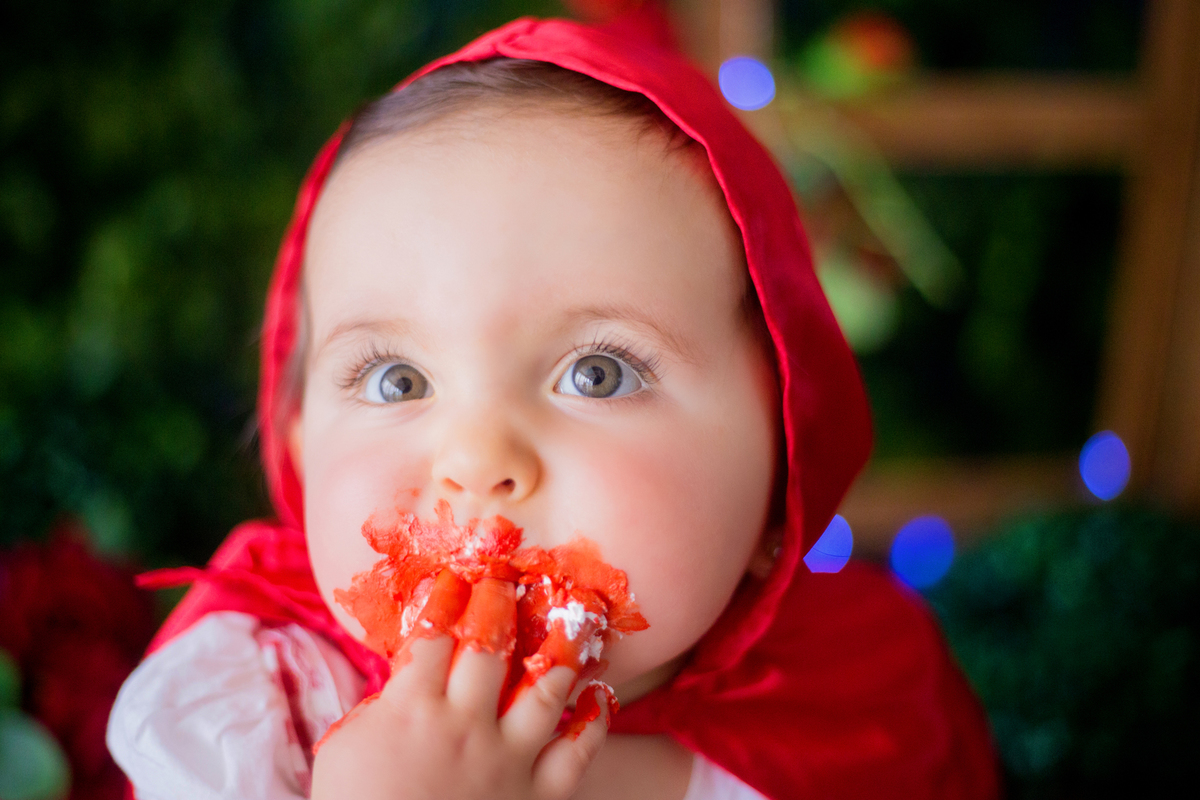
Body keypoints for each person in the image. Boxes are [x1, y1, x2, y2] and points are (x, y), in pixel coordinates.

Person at [106, 12, 998, 800]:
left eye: (598, 374)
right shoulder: (253, 717)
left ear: (782, 476)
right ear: (303, 452)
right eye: (396, 380)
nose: (476, 457)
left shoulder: (864, 713)